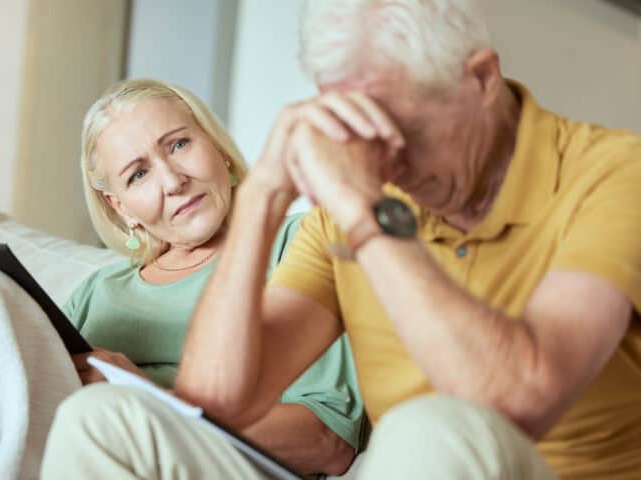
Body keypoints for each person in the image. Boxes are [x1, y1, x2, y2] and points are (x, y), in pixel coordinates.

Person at [41, 1, 641, 479]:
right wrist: (263, 196)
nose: (382, 158)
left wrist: (369, 214)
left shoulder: (615, 175)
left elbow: (519, 399)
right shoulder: (339, 219)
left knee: (430, 427)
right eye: (356, 124)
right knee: (102, 421)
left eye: (399, 125)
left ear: (480, 78)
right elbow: (216, 400)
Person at [0, 79, 364, 479]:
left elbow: (328, 443)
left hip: (212, 462)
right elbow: (2, 391)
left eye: (179, 144)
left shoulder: (300, 245)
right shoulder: (100, 294)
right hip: (62, 460)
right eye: (137, 175)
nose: (173, 181)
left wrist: (149, 399)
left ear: (216, 147)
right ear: (121, 208)